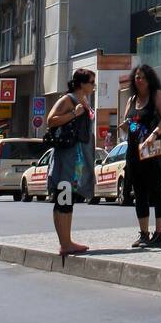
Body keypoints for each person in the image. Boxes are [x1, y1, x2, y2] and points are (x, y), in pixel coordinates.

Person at [121, 64, 161, 249]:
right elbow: (130, 123)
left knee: (157, 191)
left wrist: (154, 134)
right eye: (136, 77)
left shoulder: (157, 95)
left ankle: (159, 235)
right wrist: (129, 127)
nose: (138, 80)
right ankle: (143, 234)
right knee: (139, 192)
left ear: (149, 79)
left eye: (142, 77)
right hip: (135, 151)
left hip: (154, 150)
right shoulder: (132, 99)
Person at [47, 68, 97, 256]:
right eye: (91, 82)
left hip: (77, 159)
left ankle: (67, 241)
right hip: (67, 157)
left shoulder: (84, 100)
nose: (94, 86)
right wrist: (74, 114)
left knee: (68, 200)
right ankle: (65, 243)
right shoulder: (68, 99)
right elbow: (51, 120)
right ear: (81, 83)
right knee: (63, 199)